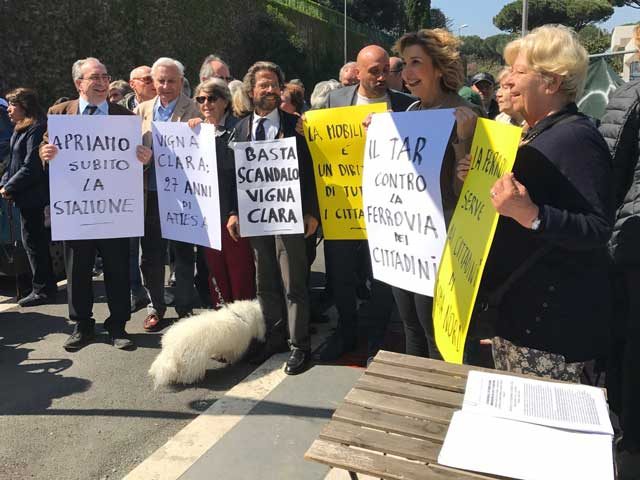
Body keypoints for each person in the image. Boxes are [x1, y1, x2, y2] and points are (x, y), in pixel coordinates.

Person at [471, 25, 614, 381]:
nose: (505, 79)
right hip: (518, 316)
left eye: (519, 71)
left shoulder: (576, 138)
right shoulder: (535, 132)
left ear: (550, 83)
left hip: (549, 331)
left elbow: (597, 229)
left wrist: (532, 215)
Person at [39, 57, 153, 351]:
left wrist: (142, 159)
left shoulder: (124, 117)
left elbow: (133, 160)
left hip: (113, 211)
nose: (102, 83)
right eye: (95, 78)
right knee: (77, 269)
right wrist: (46, 153)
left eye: (105, 77)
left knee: (116, 268)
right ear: (79, 83)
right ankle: (81, 325)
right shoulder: (60, 113)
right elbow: (44, 147)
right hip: (77, 209)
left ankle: (117, 326)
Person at [314, 45, 415, 362]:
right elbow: (325, 146)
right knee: (341, 273)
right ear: (357, 72)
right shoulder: (336, 100)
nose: (383, 76)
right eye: (375, 70)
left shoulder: (407, 106)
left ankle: (375, 340)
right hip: (343, 206)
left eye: (387, 69)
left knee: (383, 277)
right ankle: (345, 331)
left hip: (387, 208)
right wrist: (308, 132)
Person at [392, 29, 481, 359]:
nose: (407, 73)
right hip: (406, 237)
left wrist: (463, 143)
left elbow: (470, 196)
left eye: (416, 63)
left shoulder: (467, 114)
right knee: (410, 322)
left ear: (440, 68)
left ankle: (445, 400)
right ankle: (417, 395)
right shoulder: (409, 114)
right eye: (404, 64)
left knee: (438, 329)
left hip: (445, 242)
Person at [226, 61, 319, 375]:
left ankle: (300, 346)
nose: (268, 89)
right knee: (264, 282)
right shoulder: (239, 129)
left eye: (273, 84)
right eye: (262, 84)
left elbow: (314, 173)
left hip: (291, 216)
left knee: (294, 283)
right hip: (256, 219)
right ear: (251, 91)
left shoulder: (298, 126)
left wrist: (312, 212)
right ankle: (275, 338)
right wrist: (234, 212)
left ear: (281, 90)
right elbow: (233, 178)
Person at [136, 57, 202, 331]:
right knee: (150, 256)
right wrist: (142, 157)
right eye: (160, 80)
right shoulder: (139, 111)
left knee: (183, 254)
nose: (165, 86)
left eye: (171, 81)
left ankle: (185, 307)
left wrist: (201, 130)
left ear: (181, 82)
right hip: (150, 195)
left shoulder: (196, 109)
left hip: (183, 196)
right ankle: (155, 306)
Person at [599, 45, 640, 467]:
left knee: (629, 345)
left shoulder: (631, 95)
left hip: (632, 243)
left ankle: (627, 440)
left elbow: (608, 173)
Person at [187, 78, 256, 307]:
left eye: (212, 98)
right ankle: (224, 324)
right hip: (208, 216)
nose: (206, 104)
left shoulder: (239, 129)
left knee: (240, 274)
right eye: (201, 99)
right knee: (215, 273)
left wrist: (235, 211)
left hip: (233, 215)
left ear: (225, 101)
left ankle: (246, 328)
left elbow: (243, 175)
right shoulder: (197, 131)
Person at [0, 88, 56, 306]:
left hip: (34, 196)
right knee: (31, 241)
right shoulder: (19, 128)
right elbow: (13, 162)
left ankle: (43, 289)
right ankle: (42, 285)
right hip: (22, 194)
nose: (9, 110)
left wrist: (10, 187)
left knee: (34, 242)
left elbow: (31, 166)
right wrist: (6, 183)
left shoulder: (37, 128)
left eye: (12, 105)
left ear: (24, 105)